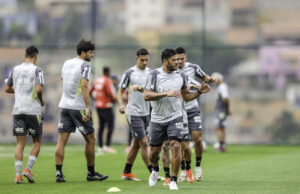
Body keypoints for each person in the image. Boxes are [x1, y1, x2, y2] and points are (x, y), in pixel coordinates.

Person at [144, 49, 210, 190]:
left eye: (178, 60)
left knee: (175, 145)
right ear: (165, 60)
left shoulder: (181, 76)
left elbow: (186, 96)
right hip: (157, 119)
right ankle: (155, 169)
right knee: (154, 153)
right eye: (173, 60)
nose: (177, 63)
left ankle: (173, 180)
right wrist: (166, 93)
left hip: (176, 117)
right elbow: (147, 95)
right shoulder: (154, 74)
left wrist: (198, 92)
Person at [55, 39, 108, 182]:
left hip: (65, 106)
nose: (92, 55)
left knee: (61, 141)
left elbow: (65, 80)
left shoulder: (66, 63)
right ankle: (91, 173)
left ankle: (58, 173)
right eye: (90, 53)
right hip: (78, 107)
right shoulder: (86, 65)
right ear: (83, 52)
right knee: (90, 139)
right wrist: (88, 107)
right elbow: (84, 86)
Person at [5, 45, 45, 184]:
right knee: (37, 141)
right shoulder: (37, 70)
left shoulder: (14, 69)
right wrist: (41, 99)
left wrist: (20, 92)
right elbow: (39, 89)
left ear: (24, 55)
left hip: (18, 111)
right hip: (33, 110)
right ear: (35, 57)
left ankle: (17, 175)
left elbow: (7, 88)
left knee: (20, 144)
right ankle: (28, 169)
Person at [175, 47, 216, 181]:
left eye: (182, 58)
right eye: (178, 58)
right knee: (182, 144)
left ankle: (198, 166)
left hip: (192, 108)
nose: (180, 61)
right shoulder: (171, 70)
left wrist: (211, 79)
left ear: (185, 58)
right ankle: (182, 169)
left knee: (197, 139)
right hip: (178, 110)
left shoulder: (193, 67)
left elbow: (205, 77)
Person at [117, 48, 153, 181]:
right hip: (133, 113)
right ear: (136, 58)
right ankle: (153, 171)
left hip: (147, 113)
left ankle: (127, 172)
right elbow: (119, 92)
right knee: (144, 143)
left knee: (136, 144)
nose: (144, 62)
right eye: (142, 60)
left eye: (146, 60)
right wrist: (121, 105)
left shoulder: (151, 73)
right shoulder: (129, 73)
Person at [90, 67, 117, 154]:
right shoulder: (107, 81)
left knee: (101, 126)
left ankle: (100, 147)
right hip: (107, 106)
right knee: (111, 126)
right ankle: (107, 146)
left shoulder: (97, 80)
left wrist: (95, 98)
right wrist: (114, 99)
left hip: (98, 106)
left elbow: (90, 92)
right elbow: (110, 93)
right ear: (108, 72)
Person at [212, 72, 231, 152]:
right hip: (221, 111)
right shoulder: (221, 87)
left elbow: (226, 99)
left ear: (219, 79)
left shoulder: (222, 87)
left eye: (214, 80)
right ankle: (222, 145)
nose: (213, 82)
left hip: (221, 111)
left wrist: (227, 109)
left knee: (218, 127)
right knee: (221, 127)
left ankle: (220, 146)